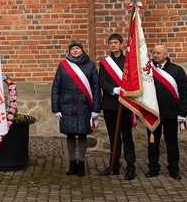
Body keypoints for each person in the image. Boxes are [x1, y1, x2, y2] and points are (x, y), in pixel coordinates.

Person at [51, 40, 100, 177]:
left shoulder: (90, 66)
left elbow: (96, 88)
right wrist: (56, 109)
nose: (75, 50)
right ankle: (73, 164)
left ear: (82, 50)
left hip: (84, 106)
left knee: (83, 134)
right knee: (70, 134)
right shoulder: (63, 66)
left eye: (77, 48)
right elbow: (56, 88)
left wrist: (96, 109)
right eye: (73, 49)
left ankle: (82, 164)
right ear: (69, 51)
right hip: (67, 107)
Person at [147, 44, 187, 180]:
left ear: (166, 54)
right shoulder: (147, 70)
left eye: (158, 53)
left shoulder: (177, 70)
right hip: (153, 112)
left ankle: (173, 168)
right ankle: (153, 167)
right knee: (153, 142)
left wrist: (182, 113)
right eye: (153, 53)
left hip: (171, 113)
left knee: (171, 142)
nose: (155, 55)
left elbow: (185, 92)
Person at [98, 33, 135, 180]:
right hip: (110, 105)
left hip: (125, 105)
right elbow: (102, 82)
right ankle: (114, 165)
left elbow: (133, 80)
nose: (113, 45)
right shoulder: (104, 63)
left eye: (116, 42)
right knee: (114, 138)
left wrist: (125, 90)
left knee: (127, 137)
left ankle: (130, 167)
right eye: (110, 43)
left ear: (121, 45)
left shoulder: (129, 62)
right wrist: (114, 90)